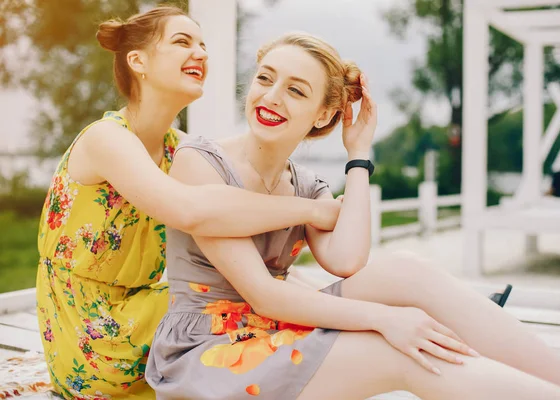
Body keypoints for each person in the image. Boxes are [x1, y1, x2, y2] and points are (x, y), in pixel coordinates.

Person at [146, 33, 560, 399]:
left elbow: (346, 261)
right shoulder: (199, 161)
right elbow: (264, 296)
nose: (272, 96)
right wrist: (387, 319)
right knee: (403, 351)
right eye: (265, 79)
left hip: (273, 329)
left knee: (407, 273)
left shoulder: (305, 184)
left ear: (324, 112)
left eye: (295, 90)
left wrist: (358, 154)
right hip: (208, 352)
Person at [35, 7, 342, 399]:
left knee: (251, 288)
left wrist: (326, 292)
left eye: (203, 45)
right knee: (236, 303)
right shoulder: (106, 139)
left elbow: (234, 242)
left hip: (141, 310)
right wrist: (313, 211)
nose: (200, 54)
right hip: (90, 331)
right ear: (138, 61)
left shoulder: (178, 147)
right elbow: (191, 210)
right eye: (182, 42)